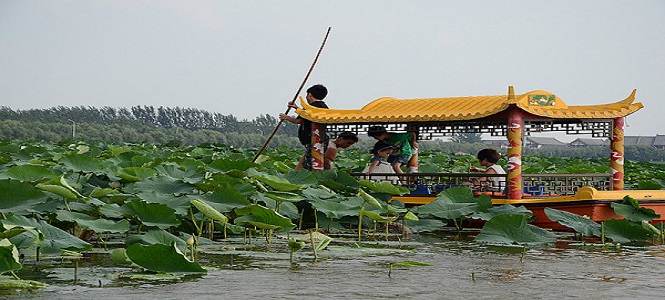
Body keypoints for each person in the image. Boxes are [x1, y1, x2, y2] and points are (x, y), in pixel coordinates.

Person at [279, 84, 329, 170]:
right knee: (302, 167)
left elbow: (298, 120)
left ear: (309, 94)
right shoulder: (323, 107)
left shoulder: (312, 108)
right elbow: (306, 115)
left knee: (310, 167)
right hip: (320, 140)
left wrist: (286, 117)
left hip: (314, 141)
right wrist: (296, 107)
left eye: (307, 95)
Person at [291, 131, 358, 170]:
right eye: (348, 143)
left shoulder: (327, 144)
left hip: (300, 169)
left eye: (350, 144)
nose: (348, 146)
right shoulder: (332, 148)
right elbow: (326, 163)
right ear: (341, 139)